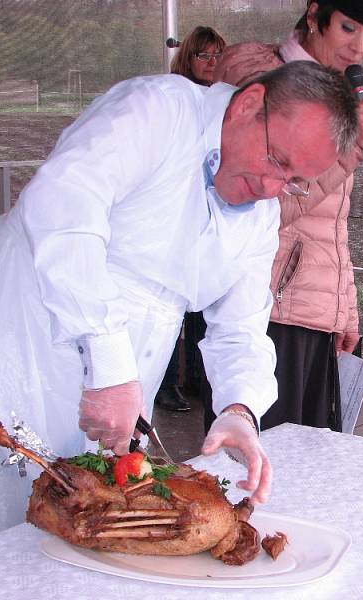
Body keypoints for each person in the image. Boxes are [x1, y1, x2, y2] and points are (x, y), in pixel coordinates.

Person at [0, 60, 359, 556]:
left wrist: (240, 409)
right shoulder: (158, 112)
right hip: (18, 351)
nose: (272, 188)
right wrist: (109, 360)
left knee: (77, 539)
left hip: (123, 387)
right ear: (248, 105)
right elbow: (63, 209)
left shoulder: (260, 213)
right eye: (276, 160)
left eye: (293, 180)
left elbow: (240, 325)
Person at [213, 0, 363, 432]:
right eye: (348, 28)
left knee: (312, 463)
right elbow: (257, 207)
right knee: (260, 463)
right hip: (266, 306)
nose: (359, 48)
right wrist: (350, 151)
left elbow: (334, 222)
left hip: (314, 311)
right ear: (314, 16)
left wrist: (344, 310)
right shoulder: (262, 80)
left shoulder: (340, 95)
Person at [156, 25, 228, 412]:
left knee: (203, 305)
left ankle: (199, 378)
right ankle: (164, 384)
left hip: (209, 213)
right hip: (175, 215)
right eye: (204, 55)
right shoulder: (174, 98)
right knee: (172, 305)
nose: (212, 63)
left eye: (219, 55)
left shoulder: (223, 100)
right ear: (188, 58)